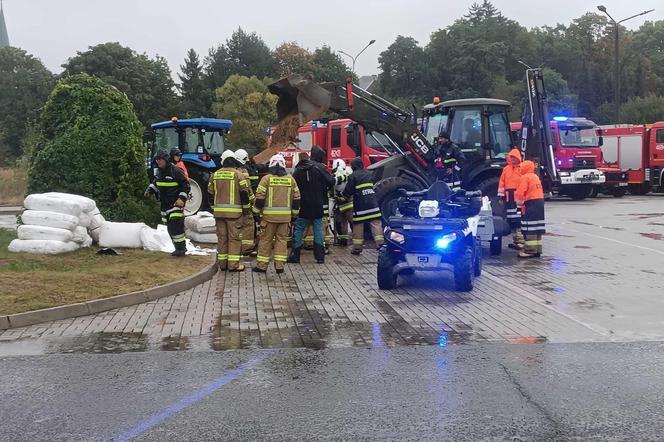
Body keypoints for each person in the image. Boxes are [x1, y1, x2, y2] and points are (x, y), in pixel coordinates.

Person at [252, 154, 300, 274]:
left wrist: (256, 213)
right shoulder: (291, 179)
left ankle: (262, 266)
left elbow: (259, 198)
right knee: (282, 241)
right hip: (285, 219)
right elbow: (297, 199)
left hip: (268, 219)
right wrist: (294, 215)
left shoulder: (266, 179)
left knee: (265, 241)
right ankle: (279, 266)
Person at [289, 146, 335, 264]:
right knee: (318, 228)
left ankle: (295, 256)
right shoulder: (319, 168)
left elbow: (293, 190)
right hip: (318, 204)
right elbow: (331, 181)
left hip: (303, 205)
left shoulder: (297, 171)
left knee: (299, 228)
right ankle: (320, 257)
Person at [208, 150, 252, 271]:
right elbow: (244, 194)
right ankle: (233, 265)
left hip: (219, 214)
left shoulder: (215, 174)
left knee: (222, 238)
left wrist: (213, 209)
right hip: (235, 214)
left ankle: (222, 264)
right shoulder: (239, 174)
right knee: (234, 239)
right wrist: (247, 210)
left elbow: (210, 194)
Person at [145, 150, 190, 257]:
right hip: (164, 205)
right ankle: (178, 248)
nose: (158, 161)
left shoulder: (176, 171)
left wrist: (181, 199)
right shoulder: (159, 172)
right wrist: (150, 190)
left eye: (160, 159)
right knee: (170, 228)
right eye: (157, 160)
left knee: (175, 226)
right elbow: (156, 182)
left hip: (175, 204)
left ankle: (181, 249)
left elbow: (186, 185)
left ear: (165, 159)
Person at [343, 157, 384, 255]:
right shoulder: (369, 174)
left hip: (360, 207)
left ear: (353, 167)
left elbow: (348, 191)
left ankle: (357, 248)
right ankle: (380, 245)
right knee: (376, 224)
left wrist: (343, 197)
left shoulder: (352, 176)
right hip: (373, 204)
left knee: (358, 225)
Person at [515, 160, 545, 259]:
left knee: (529, 227)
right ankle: (537, 249)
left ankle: (530, 250)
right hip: (539, 203)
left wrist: (518, 205)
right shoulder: (535, 177)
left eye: (521, 167)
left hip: (530, 203)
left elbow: (520, 193)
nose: (520, 169)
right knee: (537, 227)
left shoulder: (525, 177)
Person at [498, 148, 525, 250]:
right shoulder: (506, 169)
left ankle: (520, 241)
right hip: (509, 197)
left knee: (518, 219)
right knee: (512, 219)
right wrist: (501, 196)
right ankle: (516, 240)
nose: (513, 159)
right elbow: (502, 183)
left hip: (518, 196)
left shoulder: (521, 169)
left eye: (514, 158)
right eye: (511, 157)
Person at [234, 149, 257, 255]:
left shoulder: (227, 171)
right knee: (248, 224)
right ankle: (246, 248)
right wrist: (254, 202)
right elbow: (247, 190)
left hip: (233, 205)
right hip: (244, 203)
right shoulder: (243, 172)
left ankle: (236, 248)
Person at [332, 159, 353, 246]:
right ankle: (356, 241)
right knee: (352, 223)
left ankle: (343, 241)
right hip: (349, 203)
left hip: (340, 204)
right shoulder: (349, 172)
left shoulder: (334, 176)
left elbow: (332, 189)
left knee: (341, 223)